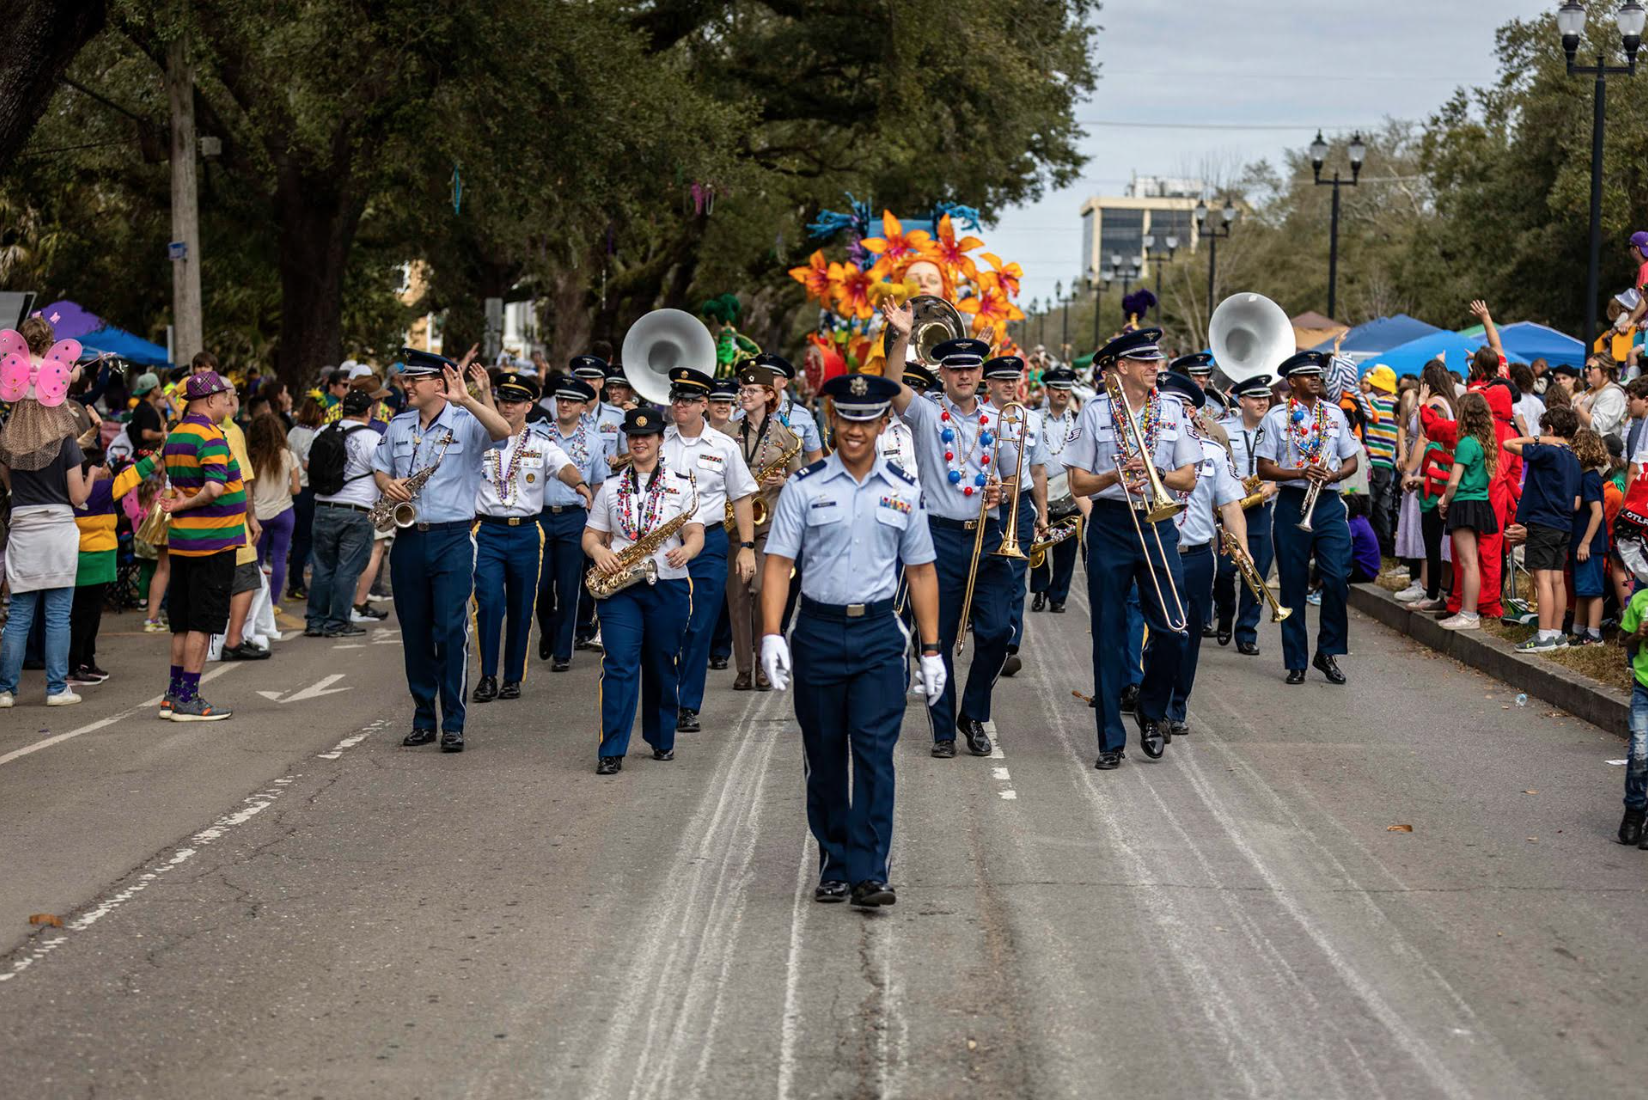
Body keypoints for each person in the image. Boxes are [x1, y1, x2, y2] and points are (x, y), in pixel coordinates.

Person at [760, 373, 942, 909]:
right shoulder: (804, 486)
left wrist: (930, 650)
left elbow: (922, 572)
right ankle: (834, 862)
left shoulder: (903, 492)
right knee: (824, 756)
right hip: (816, 631)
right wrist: (772, 634)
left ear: (884, 424)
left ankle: (869, 870)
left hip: (878, 636)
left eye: (867, 420)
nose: (856, 430)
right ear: (832, 420)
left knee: (874, 755)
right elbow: (778, 564)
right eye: (847, 419)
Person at [1063, 328, 1201, 767]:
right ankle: (1110, 740)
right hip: (1111, 524)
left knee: (1175, 630)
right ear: (1122, 367)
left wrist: (1155, 472)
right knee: (1107, 634)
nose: (1155, 367)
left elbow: (1189, 477)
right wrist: (1114, 476)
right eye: (1145, 362)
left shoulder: (1173, 410)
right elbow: (1078, 480)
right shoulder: (1095, 411)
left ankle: (1152, 708)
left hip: (1157, 523)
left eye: (1156, 360)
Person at [880, 304, 1008, 759]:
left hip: (988, 540)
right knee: (935, 637)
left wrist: (1001, 492)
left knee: (997, 632)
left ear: (981, 374)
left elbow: (1015, 480)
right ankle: (943, 731)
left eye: (972, 368)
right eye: (955, 369)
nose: (964, 376)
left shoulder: (1000, 421)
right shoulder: (929, 415)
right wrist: (901, 336)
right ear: (944, 374)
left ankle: (973, 713)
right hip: (937, 537)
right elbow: (893, 386)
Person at [372, 350, 512, 753]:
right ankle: (422, 718)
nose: (407, 385)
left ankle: (453, 721)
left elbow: (503, 432)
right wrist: (387, 485)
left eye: (415, 379)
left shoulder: (467, 422)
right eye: (406, 379)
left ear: (439, 383)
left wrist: (468, 397)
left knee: (450, 632)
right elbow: (380, 466)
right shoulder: (398, 425)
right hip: (409, 538)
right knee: (415, 632)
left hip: (452, 538)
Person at [583, 407, 704, 774]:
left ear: (659, 441)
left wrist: (687, 549)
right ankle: (612, 749)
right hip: (622, 588)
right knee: (619, 664)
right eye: (633, 437)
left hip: (667, 584)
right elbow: (592, 534)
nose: (639, 442)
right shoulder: (612, 486)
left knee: (661, 664)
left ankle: (661, 736)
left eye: (646, 436)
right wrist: (599, 551)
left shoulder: (682, 484)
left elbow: (695, 532)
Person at [0, 317, 101, 707]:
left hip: (23, 525)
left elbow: (7, 483)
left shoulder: (9, 439)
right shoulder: (65, 441)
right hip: (58, 528)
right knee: (59, 614)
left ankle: (6, 689)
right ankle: (57, 688)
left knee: (20, 613)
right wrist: (91, 479)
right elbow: (77, 496)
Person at [473, 372, 589, 701]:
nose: (507, 406)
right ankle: (487, 676)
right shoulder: (482, 439)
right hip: (488, 531)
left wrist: (578, 484)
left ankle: (512, 677)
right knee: (489, 603)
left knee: (523, 606)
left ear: (529, 405)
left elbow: (564, 467)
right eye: (502, 400)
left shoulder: (541, 445)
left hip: (525, 532)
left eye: (514, 401)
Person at [1256, 351, 1361, 685]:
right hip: (1291, 500)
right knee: (1293, 581)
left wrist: (1334, 474)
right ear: (1292, 381)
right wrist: (1300, 471)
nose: (1316, 378)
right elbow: (1263, 467)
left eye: (1318, 374)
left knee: (1336, 576)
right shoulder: (1275, 417)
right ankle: (1296, 660)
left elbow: (1351, 460)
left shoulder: (1333, 414)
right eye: (1307, 375)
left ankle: (1326, 650)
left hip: (1328, 502)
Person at [662, 365, 757, 733]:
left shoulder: (724, 447)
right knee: (666, 624)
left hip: (712, 543)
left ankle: (687, 705)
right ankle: (664, 695)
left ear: (704, 404)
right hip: (664, 544)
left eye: (687, 400)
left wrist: (746, 546)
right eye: (675, 399)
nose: (679, 406)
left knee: (699, 626)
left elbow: (743, 497)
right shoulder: (660, 441)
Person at [147, 371, 246, 720]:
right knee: (202, 624)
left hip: (184, 543)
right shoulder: (211, 436)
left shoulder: (176, 434)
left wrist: (180, 504)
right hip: (213, 542)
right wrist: (185, 504)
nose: (227, 402)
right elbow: (215, 488)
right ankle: (189, 698)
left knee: (182, 622)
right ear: (209, 401)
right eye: (223, 397)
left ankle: (172, 695)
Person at [1157, 372, 1249, 740]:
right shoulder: (1149, 452)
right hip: (1158, 552)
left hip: (1196, 555)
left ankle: (1177, 705)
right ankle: (1155, 702)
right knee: (1161, 630)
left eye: (1178, 406)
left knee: (1190, 635)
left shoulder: (1211, 452)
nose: (1171, 412)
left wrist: (1241, 546)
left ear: (1193, 411)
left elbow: (1230, 506)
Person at [724, 363, 803, 690]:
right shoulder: (728, 434)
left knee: (759, 589)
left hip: (770, 521)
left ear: (769, 395)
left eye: (752, 391)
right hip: (734, 524)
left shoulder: (786, 436)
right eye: (743, 390)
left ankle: (761, 662)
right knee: (738, 596)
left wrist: (784, 479)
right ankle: (744, 669)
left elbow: (802, 479)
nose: (745, 395)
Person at [534, 376, 609, 672]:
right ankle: (549, 630)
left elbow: (598, 485)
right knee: (540, 588)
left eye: (571, 400)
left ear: (582, 407)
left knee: (568, 587)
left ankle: (562, 651)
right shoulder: (538, 435)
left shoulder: (593, 441)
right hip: (539, 514)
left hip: (573, 517)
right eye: (560, 399)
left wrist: (599, 527)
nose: (563, 404)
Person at [982, 355, 1050, 678]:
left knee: (1016, 576)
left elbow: (1038, 470)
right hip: (988, 504)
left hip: (1021, 505)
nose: (1010, 385)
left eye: (1014, 380)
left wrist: (1043, 514)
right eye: (1002, 379)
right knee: (987, 573)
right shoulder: (978, 417)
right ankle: (988, 635)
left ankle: (1009, 645)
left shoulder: (1031, 419)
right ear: (989, 383)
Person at [1502, 407, 1582, 653]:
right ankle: (1557, 634)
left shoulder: (1548, 451)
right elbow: (1577, 501)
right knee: (1556, 578)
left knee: (1542, 579)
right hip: (1563, 523)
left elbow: (1508, 443)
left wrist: (1543, 439)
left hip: (1543, 522)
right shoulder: (1573, 458)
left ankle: (1544, 635)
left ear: (1550, 429)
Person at [304, 390, 380, 638]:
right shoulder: (372, 437)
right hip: (357, 511)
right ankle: (338, 622)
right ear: (368, 411)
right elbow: (383, 472)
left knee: (323, 567)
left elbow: (308, 464)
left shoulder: (323, 431)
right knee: (348, 568)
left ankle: (315, 621)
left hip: (323, 507)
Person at [1212, 373, 1278, 654]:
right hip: (1230, 508)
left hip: (1261, 510)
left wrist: (1273, 484)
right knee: (1225, 572)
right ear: (1242, 400)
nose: (1263, 402)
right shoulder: (1224, 428)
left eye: (1265, 397)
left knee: (1258, 571)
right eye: (1256, 397)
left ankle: (1246, 631)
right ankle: (1226, 613)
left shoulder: (1275, 429)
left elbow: (1285, 464)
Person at [1436, 391, 1500, 631]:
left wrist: (1444, 501)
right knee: (1473, 560)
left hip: (1464, 503)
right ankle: (1469, 612)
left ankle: (1469, 613)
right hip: (1480, 502)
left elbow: (1453, 482)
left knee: (1468, 562)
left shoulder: (1465, 443)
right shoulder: (1484, 442)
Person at [216, 387, 267, 661]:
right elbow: (244, 479)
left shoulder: (182, 430)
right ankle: (232, 642)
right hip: (232, 518)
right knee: (245, 577)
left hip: (195, 525)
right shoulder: (232, 432)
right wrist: (252, 517)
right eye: (231, 396)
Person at [1030, 365, 1083, 614]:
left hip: (1069, 491)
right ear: (1048, 390)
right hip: (1039, 489)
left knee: (1066, 548)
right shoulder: (1033, 417)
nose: (1062, 393)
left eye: (1066, 389)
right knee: (1038, 543)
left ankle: (1058, 596)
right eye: (1057, 388)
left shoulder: (1079, 419)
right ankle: (1040, 591)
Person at [68, 450, 118, 685]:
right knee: (83, 616)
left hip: (96, 560)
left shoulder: (85, 489)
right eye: (105, 465)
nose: (109, 470)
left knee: (90, 615)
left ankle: (86, 661)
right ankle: (75, 665)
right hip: (91, 560)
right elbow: (135, 475)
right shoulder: (100, 489)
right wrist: (159, 453)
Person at [247, 413, 300, 609]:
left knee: (257, 561)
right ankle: (272, 603)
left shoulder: (251, 457)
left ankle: (253, 603)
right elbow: (296, 489)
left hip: (258, 515)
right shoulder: (288, 456)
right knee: (279, 558)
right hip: (284, 511)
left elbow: (248, 489)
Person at [1568, 427, 1610, 646]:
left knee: (1593, 590)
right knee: (1582, 588)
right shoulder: (1586, 478)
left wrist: (1585, 542)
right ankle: (1578, 629)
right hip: (1582, 543)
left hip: (1590, 545)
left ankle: (1594, 633)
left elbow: (1597, 513)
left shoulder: (1590, 479)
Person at [1616, 580, 1648, 848]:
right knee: (1639, 753)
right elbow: (1622, 641)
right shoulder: (1641, 600)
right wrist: (1637, 635)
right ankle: (1634, 811)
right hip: (1644, 689)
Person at [1362, 364, 1400, 555]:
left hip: (1375, 462)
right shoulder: (1397, 404)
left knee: (1369, 505)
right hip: (1389, 463)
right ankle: (1386, 546)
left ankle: (1369, 545)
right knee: (1383, 507)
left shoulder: (1375, 405)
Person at [1345, 494, 1382, 584]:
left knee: (1331, 564)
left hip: (1364, 570)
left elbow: (1341, 545)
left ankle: (1317, 588)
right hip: (1370, 569)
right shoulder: (1361, 519)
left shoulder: (1353, 525)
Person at [127, 372, 168, 450]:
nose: (160, 389)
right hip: (146, 454)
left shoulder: (143, 406)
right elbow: (147, 434)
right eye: (159, 386)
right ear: (153, 390)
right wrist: (167, 435)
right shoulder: (147, 410)